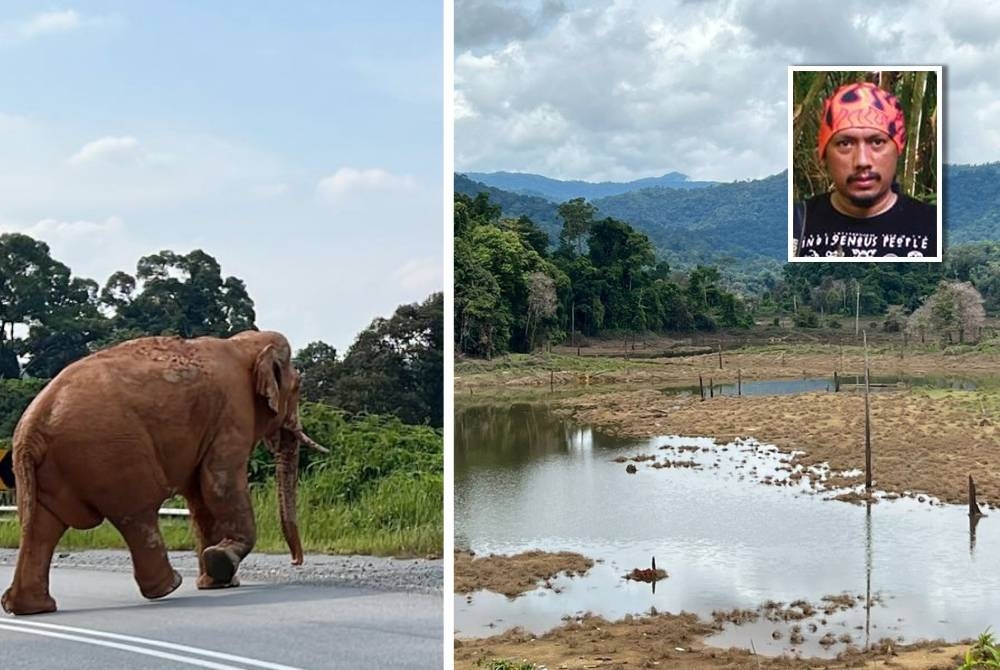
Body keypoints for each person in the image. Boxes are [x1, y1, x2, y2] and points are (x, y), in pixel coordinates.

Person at [793, 81, 937, 258]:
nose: (862, 161)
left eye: (877, 142)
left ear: (898, 149)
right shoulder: (796, 225)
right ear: (823, 154)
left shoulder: (934, 228)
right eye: (845, 144)